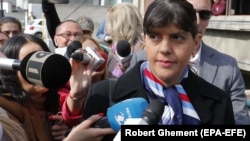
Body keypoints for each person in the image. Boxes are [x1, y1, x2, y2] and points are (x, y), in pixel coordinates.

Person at [81, 0, 235, 140]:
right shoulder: (102, 96)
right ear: (144, 40)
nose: (165, 49)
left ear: (195, 43)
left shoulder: (219, 103)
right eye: (154, 36)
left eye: (178, 37)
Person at [128, 0, 250, 125]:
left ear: (195, 42)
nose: (197, 20)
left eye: (204, 14)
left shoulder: (228, 69)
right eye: (154, 36)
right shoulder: (134, 69)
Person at [106, 2, 145, 79]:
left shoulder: (143, 49)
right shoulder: (113, 48)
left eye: (111, 23)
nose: (108, 27)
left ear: (121, 25)